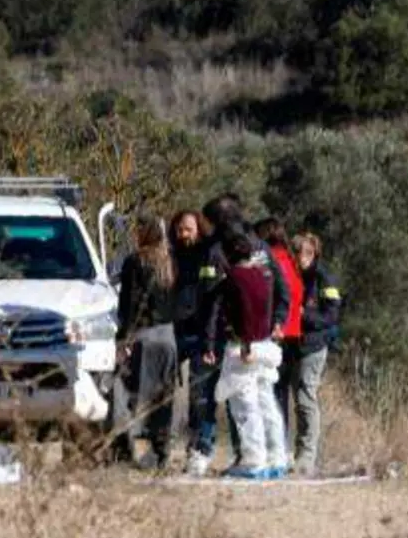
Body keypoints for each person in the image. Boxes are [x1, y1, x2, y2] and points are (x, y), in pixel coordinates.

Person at [188, 193, 290, 472]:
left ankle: (221, 454)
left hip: (230, 337)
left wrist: (207, 341)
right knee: (262, 398)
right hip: (261, 337)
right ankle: (272, 456)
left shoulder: (216, 250)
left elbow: (209, 300)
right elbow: (281, 288)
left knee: (230, 399)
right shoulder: (261, 247)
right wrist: (278, 321)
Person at [108, 213, 180, 470]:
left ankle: (125, 449)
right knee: (162, 396)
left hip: (143, 335)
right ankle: (161, 451)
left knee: (127, 393)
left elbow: (130, 302)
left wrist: (123, 338)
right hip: (168, 336)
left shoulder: (135, 261)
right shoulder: (171, 263)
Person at [288, 230, 342, 477]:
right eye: (297, 252)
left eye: (306, 253)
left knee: (305, 398)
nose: (301, 258)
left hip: (314, 346)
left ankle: (307, 457)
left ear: (314, 254)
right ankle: (297, 454)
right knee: (297, 401)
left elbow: (331, 316)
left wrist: (304, 315)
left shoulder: (324, 279)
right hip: (292, 345)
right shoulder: (289, 275)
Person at [168, 209, 214, 476]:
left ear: (199, 229)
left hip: (201, 333)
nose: (183, 234)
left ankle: (199, 448)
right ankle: (162, 446)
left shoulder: (208, 254)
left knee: (200, 394)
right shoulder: (171, 257)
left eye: (188, 229)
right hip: (174, 330)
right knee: (164, 390)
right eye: (180, 229)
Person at [254, 217, 305, 441]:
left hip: (274, 332)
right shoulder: (291, 261)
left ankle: (275, 443)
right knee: (280, 391)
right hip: (293, 334)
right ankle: (280, 442)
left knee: (270, 391)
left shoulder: (268, 260)